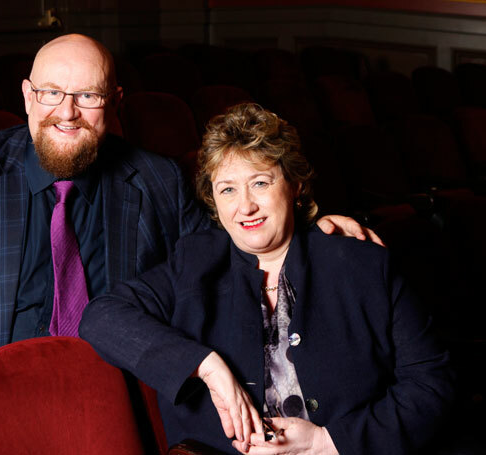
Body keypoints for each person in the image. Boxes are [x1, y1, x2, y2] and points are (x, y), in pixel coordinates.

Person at [0, 35, 379, 454]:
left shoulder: (158, 180)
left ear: (116, 101)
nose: (67, 112)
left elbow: (228, 255)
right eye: (51, 93)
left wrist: (308, 230)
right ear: (26, 96)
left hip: (109, 402)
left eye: (87, 96)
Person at [80, 103, 454, 455]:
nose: (245, 206)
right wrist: (206, 365)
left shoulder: (362, 263)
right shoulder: (194, 261)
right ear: (212, 199)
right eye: (227, 189)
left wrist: (327, 442)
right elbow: (102, 316)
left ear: (294, 186)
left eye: (260, 183)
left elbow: (432, 385)